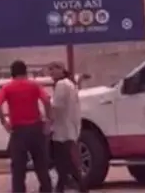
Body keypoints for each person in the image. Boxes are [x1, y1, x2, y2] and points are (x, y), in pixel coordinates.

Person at [0, 60, 53, 193]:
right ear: (26, 72)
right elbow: (46, 100)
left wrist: (4, 122)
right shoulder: (34, 85)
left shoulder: (7, 88)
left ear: (12, 73)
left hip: (18, 131)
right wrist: (48, 120)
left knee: (18, 169)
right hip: (36, 129)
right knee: (41, 166)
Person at [47, 62, 87, 193]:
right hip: (70, 129)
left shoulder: (61, 85)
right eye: (49, 70)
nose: (51, 73)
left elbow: (56, 107)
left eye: (53, 69)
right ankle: (68, 187)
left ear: (61, 69)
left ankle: (73, 187)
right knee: (66, 161)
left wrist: (48, 124)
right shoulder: (70, 84)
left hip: (61, 131)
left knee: (62, 162)